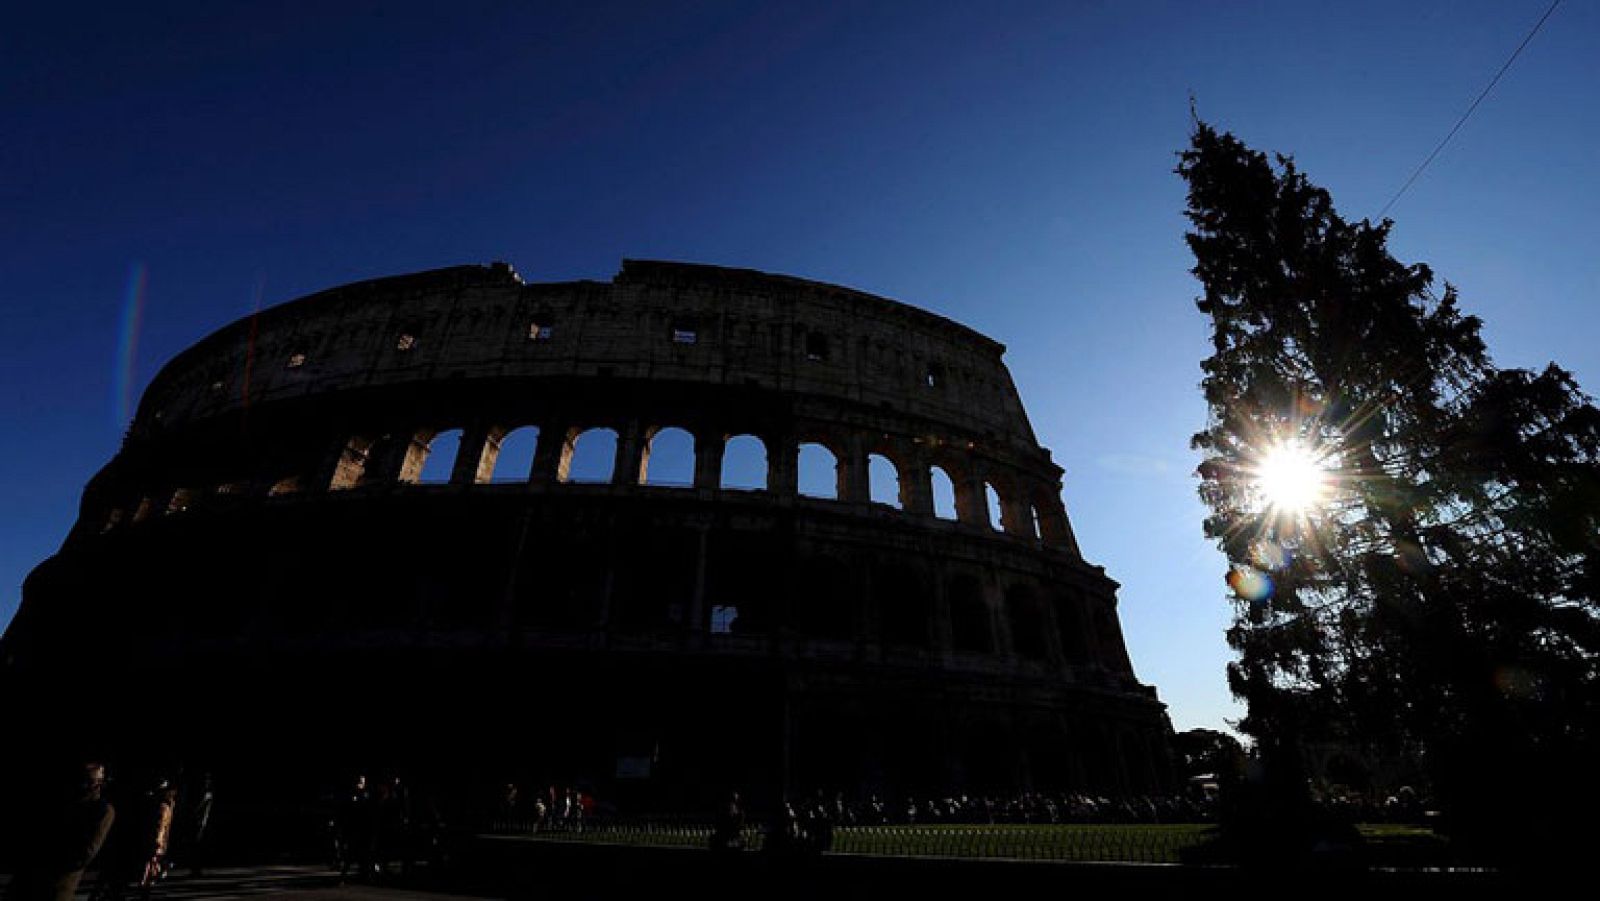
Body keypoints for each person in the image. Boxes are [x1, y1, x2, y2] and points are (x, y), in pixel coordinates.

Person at [6, 762, 116, 901]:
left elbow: (83, 855)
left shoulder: (101, 810)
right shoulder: (68, 801)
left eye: (89, 780)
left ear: (98, 783)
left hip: (55, 886)